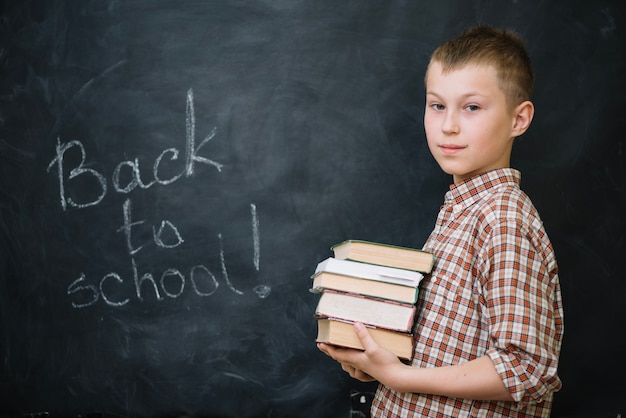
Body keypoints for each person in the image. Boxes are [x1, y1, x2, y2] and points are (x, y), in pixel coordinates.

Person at [318, 24, 564, 417]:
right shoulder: (461, 211)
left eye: (472, 107)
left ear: (519, 119)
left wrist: (400, 378)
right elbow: (444, 347)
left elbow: (526, 369)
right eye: (437, 105)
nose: (449, 125)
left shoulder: (502, 217)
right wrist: (375, 363)